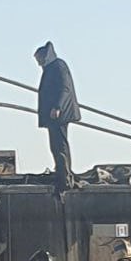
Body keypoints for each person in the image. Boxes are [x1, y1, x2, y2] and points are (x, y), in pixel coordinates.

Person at [34, 41, 80, 194]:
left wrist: (58, 107)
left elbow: (65, 88)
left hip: (59, 114)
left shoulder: (58, 66)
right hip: (53, 115)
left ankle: (64, 176)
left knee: (60, 145)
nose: (38, 63)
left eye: (38, 59)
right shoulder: (51, 68)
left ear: (44, 57)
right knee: (55, 145)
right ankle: (62, 172)